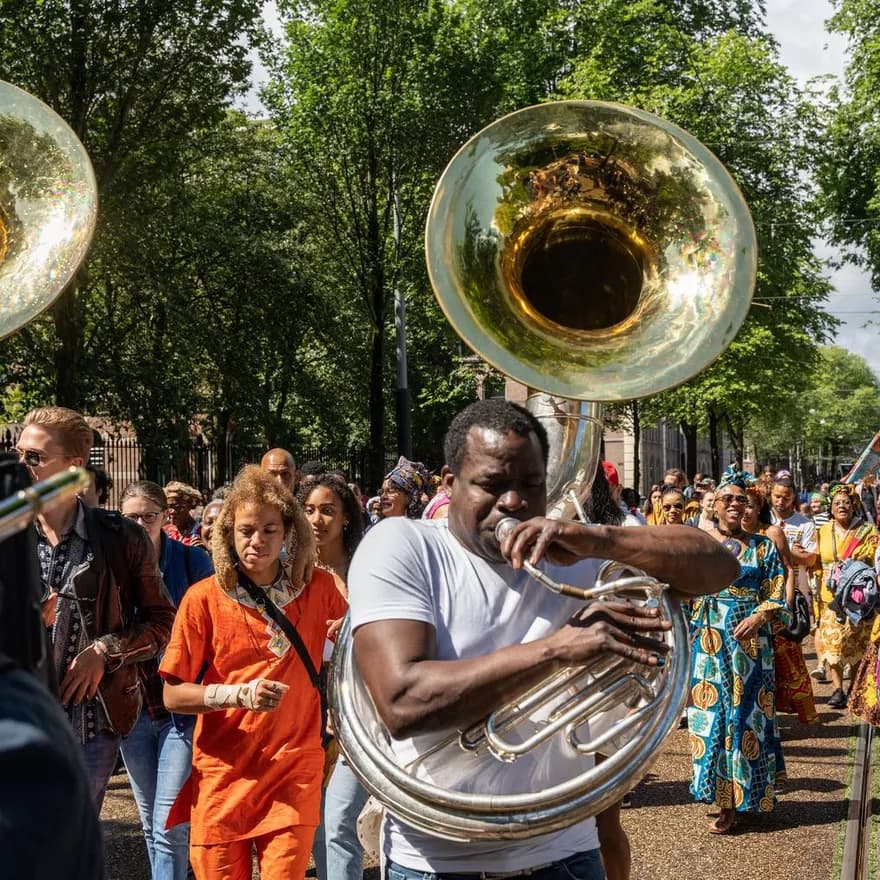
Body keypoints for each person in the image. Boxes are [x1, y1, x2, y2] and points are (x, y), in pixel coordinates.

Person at [348, 398, 740, 878]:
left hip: (565, 854)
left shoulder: (573, 551)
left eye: (530, 485)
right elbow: (402, 702)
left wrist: (599, 540)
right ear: (449, 484)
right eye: (492, 485)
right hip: (435, 861)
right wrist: (558, 648)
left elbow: (720, 566)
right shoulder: (404, 545)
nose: (513, 502)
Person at [160, 466, 347, 880]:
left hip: (293, 769)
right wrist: (235, 695)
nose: (257, 541)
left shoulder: (319, 588)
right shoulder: (202, 599)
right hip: (223, 777)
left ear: (287, 533)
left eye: (269, 530)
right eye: (246, 530)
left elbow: (365, 647)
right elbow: (172, 696)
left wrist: (348, 636)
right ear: (228, 533)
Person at [16, 406, 175, 809]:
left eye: (34, 457)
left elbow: (163, 622)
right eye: (18, 454)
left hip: (90, 723)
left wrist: (105, 651)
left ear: (75, 465)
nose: (20, 465)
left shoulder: (121, 538)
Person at [119, 481, 214, 880]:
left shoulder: (194, 563)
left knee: (169, 825)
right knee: (149, 820)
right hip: (132, 705)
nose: (140, 525)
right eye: (131, 518)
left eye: (149, 517)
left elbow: (214, 632)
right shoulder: (111, 566)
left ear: (165, 517)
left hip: (180, 706)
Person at [689, 468, 789, 834]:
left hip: (750, 648)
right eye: (727, 499)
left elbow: (778, 592)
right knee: (712, 716)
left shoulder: (762, 546)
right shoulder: (700, 543)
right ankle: (723, 802)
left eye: (740, 500)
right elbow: (682, 588)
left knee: (746, 718)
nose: (734, 505)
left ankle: (748, 796)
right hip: (710, 644)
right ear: (713, 505)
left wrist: (760, 617)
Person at [299, 475, 368, 880]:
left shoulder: (369, 567)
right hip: (309, 712)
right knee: (320, 825)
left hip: (362, 708)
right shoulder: (291, 573)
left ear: (345, 518)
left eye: (328, 510)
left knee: (340, 818)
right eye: (308, 510)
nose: (317, 519)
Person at [741, 484, 817, 724]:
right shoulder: (729, 535)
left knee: (778, 665)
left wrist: (786, 603)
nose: (744, 511)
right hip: (743, 610)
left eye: (750, 505)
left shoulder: (771, 532)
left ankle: (770, 717)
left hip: (772, 608)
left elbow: (787, 568)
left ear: (759, 507)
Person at [811, 483, 879, 709]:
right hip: (830, 596)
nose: (842, 506)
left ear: (854, 505)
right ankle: (837, 689)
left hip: (859, 598)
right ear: (830, 508)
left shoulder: (868, 531)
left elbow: (875, 561)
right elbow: (815, 560)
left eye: (846, 503)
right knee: (833, 642)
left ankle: (854, 686)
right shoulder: (822, 531)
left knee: (858, 643)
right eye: (837, 503)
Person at [378, 456, 431, 520]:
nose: (383, 496)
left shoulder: (417, 529)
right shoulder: (374, 528)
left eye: (391, 491)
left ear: (408, 497)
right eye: (381, 492)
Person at [163, 481, 203, 546]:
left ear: (189, 505)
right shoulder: (165, 532)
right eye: (169, 507)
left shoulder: (201, 532)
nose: (172, 511)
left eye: (178, 507)